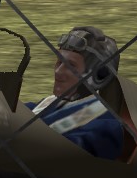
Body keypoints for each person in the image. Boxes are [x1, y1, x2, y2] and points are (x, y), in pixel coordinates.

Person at [25, 25, 125, 160]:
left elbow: (70, 153)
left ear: (99, 75)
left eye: (70, 66)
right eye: (59, 62)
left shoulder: (107, 126)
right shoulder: (53, 103)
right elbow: (22, 111)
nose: (58, 71)